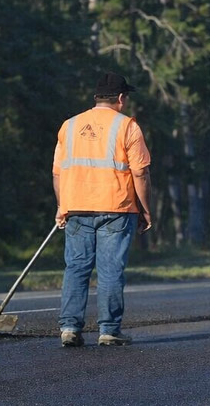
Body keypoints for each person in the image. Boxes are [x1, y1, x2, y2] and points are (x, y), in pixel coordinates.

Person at [53, 72, 153, 348]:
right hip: (116, 208)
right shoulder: (127, 126)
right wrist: (146, 209)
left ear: (96, 97)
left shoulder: (69, 126)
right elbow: (140, 173)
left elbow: (58, 173)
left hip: (76, 207)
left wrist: (61, 206)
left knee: (76, 268)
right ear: (120, 98)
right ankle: (109, 330)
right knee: (110, 270)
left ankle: (70, 328)